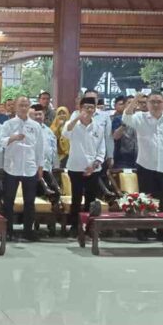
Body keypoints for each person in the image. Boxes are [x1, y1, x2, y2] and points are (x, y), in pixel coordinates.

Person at [122, 92, 163, 214]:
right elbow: (126, 118)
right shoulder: (140, 117)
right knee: (146, 202)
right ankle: (146, 225)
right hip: (146, 166)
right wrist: (135, 100)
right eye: (152, 102)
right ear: (147, 103)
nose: (156, 105)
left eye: (159, 102)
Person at [0, 95, 45, 242]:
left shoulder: (35, 126)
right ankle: (8, 231)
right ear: (15, 107)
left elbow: (39, 148)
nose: (24, 108)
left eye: (26, 105)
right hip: (12, 167)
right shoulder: (8, 124)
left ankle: (28, 231)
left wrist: (40, 166)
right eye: (21, 105)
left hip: (30, 167)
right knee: (8, 201)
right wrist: (13, 138)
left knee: (29, 202)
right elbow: (1, 142)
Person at [64, 95, 105, 235]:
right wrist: (77, 118)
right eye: (86, 107)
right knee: (76, 198)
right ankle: (74, 226)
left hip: (93, 169)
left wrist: (94, 165)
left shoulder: (98, 127)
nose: (89, 110)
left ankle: (89, 226)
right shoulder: (73, 124)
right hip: (75, 167)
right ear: (80, 108)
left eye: (92, 107)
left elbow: (101, 149)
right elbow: (65, 133)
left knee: (91, 199)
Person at [111, 96, 138, 169]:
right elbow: (115, 136)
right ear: (124, 105)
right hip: (123, 159)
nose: (132, 105)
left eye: (134, 103)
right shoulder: (118, 119)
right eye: (129, 103)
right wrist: (125, 122)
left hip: (139, 158)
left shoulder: (140, 118)